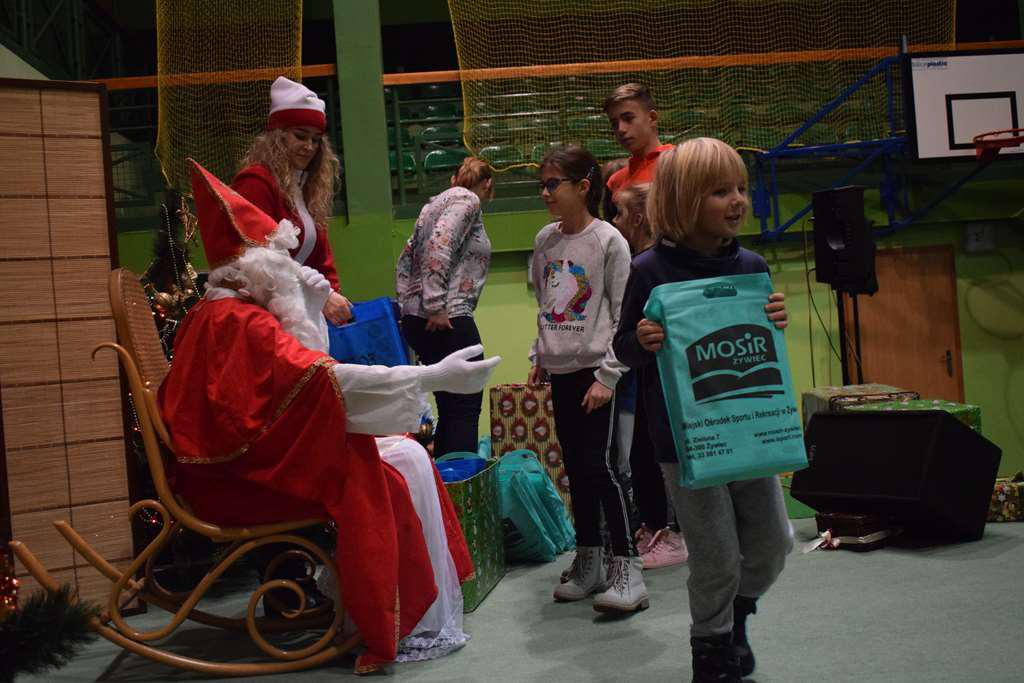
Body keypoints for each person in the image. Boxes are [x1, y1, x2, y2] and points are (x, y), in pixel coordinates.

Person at [159, 160, 500, 673]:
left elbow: (303, 379)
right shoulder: (242, 323)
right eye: (282, 261)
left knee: (405, 453)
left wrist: (315, 305)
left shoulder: (231, 312)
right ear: (257, 270)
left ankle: (409, 615)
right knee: (392, 465)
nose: (292, 272)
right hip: (238, 481)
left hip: (243, 464)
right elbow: (324, 381)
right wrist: (429, 377)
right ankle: (387, 619)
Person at [612, 138, 791, 682]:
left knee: (773, 544)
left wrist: (774, 319)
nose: (737, 201)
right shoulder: (649, 270)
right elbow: (622, 348)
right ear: (685, 201)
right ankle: (710, 646)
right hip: (687, 443)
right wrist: (642, 341)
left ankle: (737, 614)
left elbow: (762, 346)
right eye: (719, 191)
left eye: (740, 188)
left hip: (752, 433)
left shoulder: (751, 265)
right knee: (715, 556)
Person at [528, 145, 648, 613]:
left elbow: (623, 315)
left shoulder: (609, 241)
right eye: (541, 184)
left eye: (552, 184)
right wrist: (540, 353)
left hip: (598, 374)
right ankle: (590, 562)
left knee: (604, 470)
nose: (544, 193)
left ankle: (628, 568)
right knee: (576, 469)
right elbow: (546, 303)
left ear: (582, 187)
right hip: (561, 372)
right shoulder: (545, 240)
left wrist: (608, 376)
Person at [610, 183, 688, 571]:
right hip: (642, 376)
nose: (614, 221)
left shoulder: (656, 267)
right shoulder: (637, 265)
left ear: (639, 218)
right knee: (642, 451)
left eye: (620, 213)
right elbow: (627, 336)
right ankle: (655, 525)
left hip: (670, 381)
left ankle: (677, 533)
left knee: (669, 455)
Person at [232, 76, 352, 325]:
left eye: (316, 139)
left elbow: (323, 258)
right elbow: (261, 258)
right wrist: (322, 295)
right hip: (264, 313)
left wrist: (333, 293)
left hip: (300, 310)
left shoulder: (306, 187)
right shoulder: (255, 181)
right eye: (300, 136)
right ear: (278, 136)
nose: (309, 146)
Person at [396, 157, 495, 457]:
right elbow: (440, 244)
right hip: (448, 316)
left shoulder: (430, 207)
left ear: (453, 178)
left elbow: (405, 260)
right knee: (464, 408)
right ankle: (460, 484)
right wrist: (436, 304)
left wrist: (408, 306)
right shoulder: (467, 200)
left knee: (450, 408)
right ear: (488, 185)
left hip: (418, 317)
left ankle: (446, 483)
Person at [603, 83, 674, 209]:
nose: (620, 129)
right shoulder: (615, 180)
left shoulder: (680, 165)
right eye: (614, 124)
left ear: (652, 118)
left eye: (628, 118)